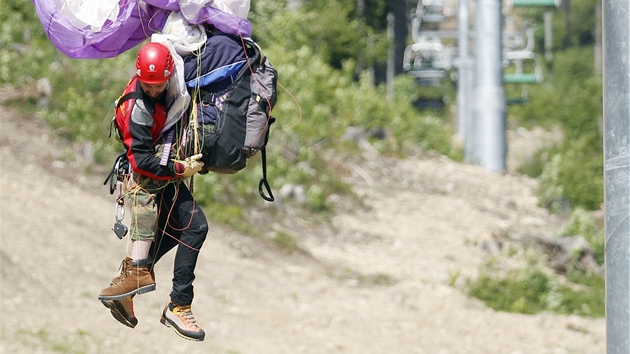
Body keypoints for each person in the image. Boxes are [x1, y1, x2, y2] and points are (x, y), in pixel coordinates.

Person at [98, 41, 208, 341]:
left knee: (185, 228)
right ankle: (178, 304)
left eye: (159, 85)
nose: (154, 90)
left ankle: (131, 283)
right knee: (194, 226)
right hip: (150, 175)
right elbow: (143, 161)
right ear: (139, 78)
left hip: (160, 170)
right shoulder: (137, 109)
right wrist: (181, 170)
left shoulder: (168, 85)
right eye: (148, 85)